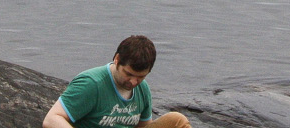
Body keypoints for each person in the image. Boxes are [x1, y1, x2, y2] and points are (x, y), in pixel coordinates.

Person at [43, 36, 190, 128]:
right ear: (117, 60)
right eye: (129, 74)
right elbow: (51, 119)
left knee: (176, 120)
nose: (133, 82)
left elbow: (144, 126)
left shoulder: (143, 89)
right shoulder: (91, 83)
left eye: (140, 77)